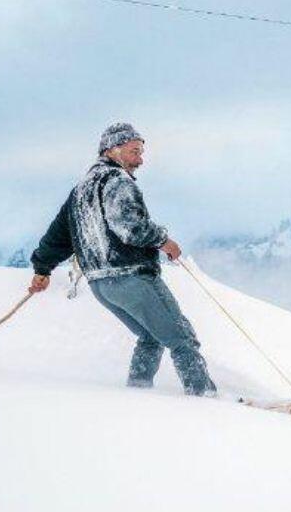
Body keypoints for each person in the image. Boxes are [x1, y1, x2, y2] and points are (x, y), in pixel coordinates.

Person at [28, 122, 217, 396]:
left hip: (101, 286)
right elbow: (130, 227)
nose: (140, 159)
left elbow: (57, 237)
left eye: (140, 152)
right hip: (130, 276)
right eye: (134, 151)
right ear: (112, 149)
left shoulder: (80, 191)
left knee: (150, 337)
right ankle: (205, 397)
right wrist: (165, 241)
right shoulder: (116, 181)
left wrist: (42, 269)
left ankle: (136, 396)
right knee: (181, 338)